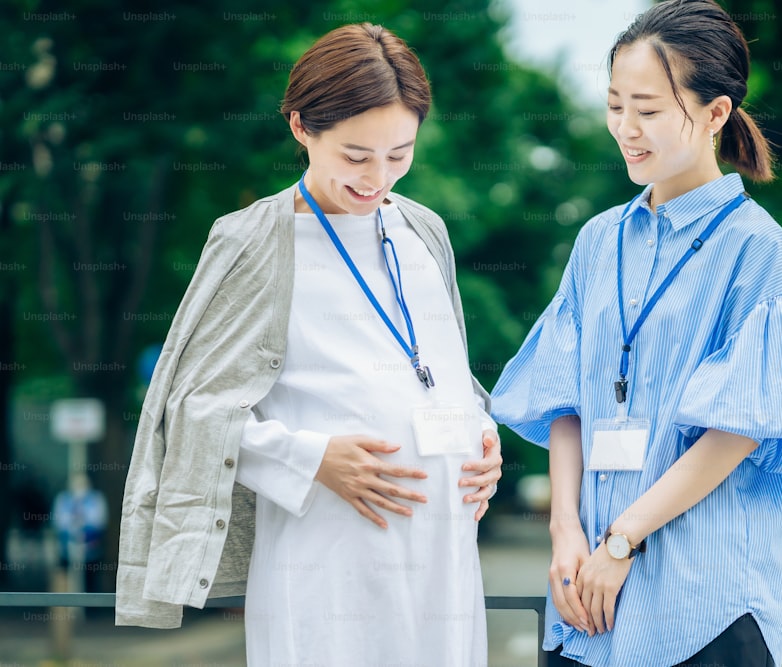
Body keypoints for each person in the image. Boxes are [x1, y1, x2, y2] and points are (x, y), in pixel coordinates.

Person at [115, 23, 501, 667]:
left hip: (445, 557)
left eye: (399, 154)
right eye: (356, 155)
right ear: (302, 128)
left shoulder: (423, 231)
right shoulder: (252, 241)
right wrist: (312, 459)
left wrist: (480, 431)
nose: (378, 178)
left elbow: (441, 371)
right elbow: (192, 412)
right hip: (325, 554)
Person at [491, 1, 782, 665]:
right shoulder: (598, 240)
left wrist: (623, 540)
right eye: (615, 104)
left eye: (649, 110)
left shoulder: (754, 248)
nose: (625, 128)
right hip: (585, 604)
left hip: (701, 606)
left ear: (716, 114)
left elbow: (739, 429)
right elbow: (563, 395)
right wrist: (566, 531)